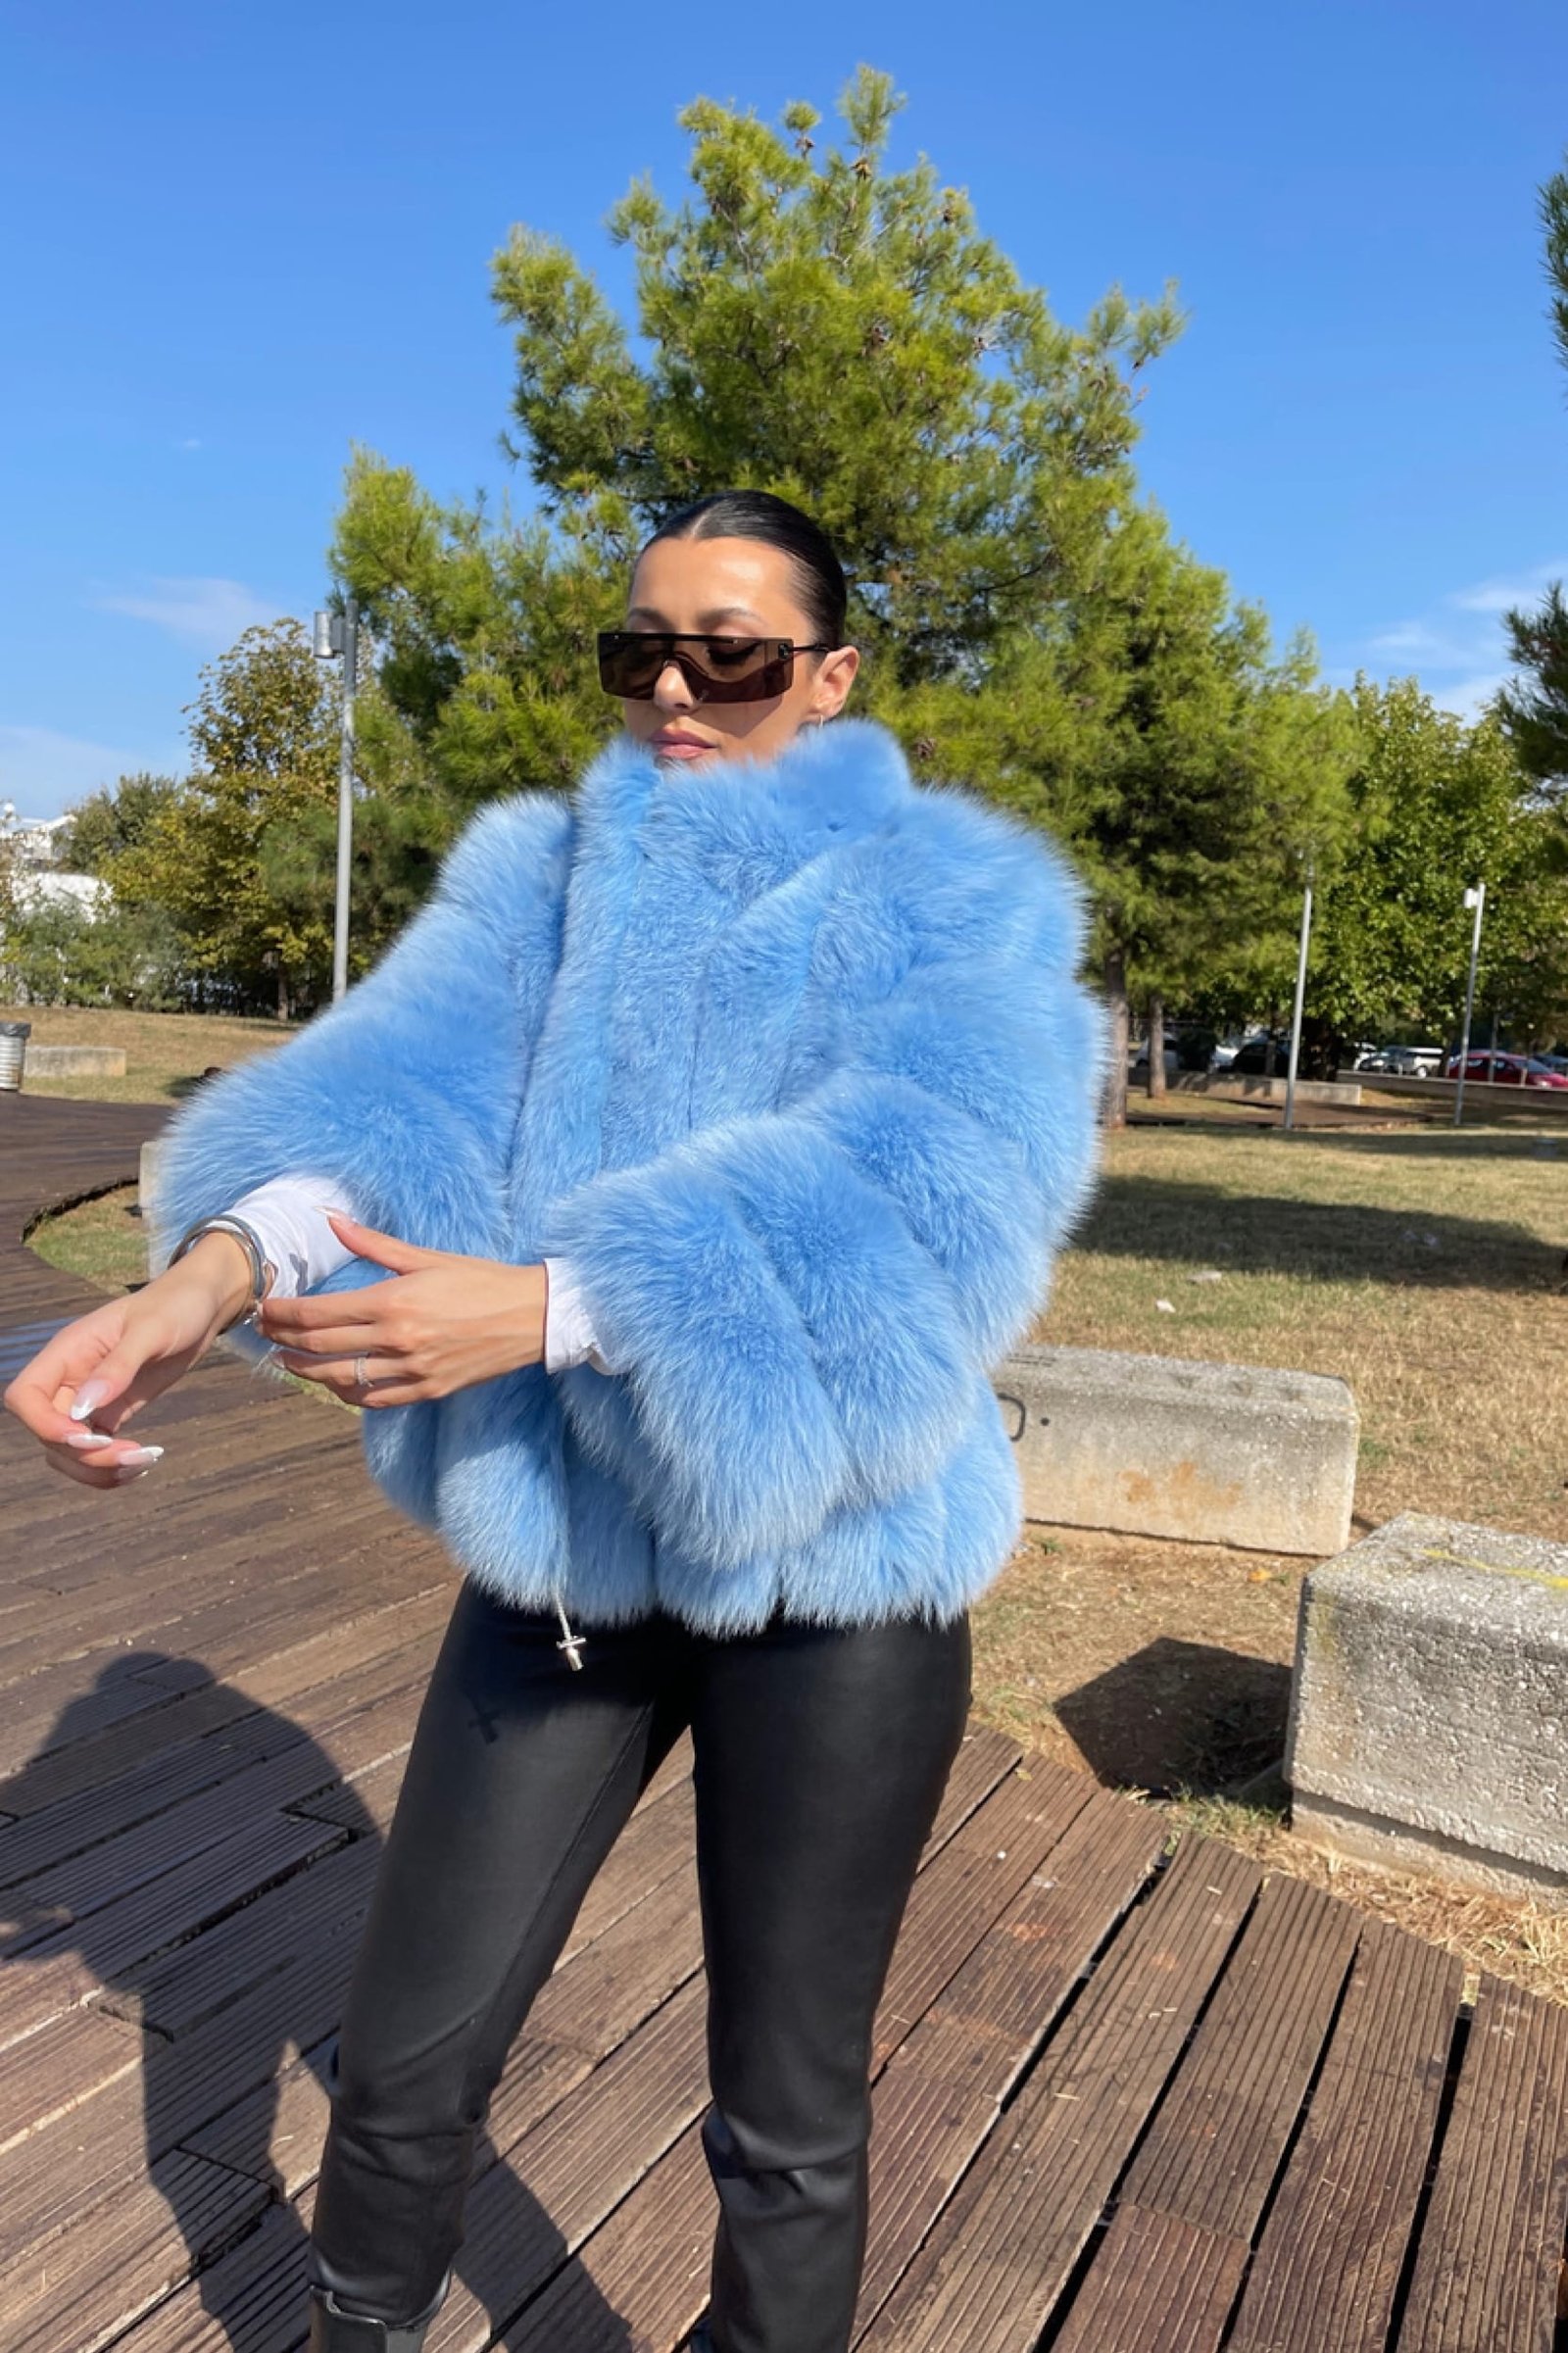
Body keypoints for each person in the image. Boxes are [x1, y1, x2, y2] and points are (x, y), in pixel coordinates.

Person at [4, 489, 1105, 2353]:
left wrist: (553, 1304)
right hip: (565, 1565)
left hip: (841, 1574)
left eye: (731, 654)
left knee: (787, 2116)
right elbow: (390, 1106)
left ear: (830, 676)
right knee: (403, 2056)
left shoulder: (959, 903)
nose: (675, 687)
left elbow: (939, 1205)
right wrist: (203, 1278)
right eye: (638, 650)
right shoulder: (540, 878)